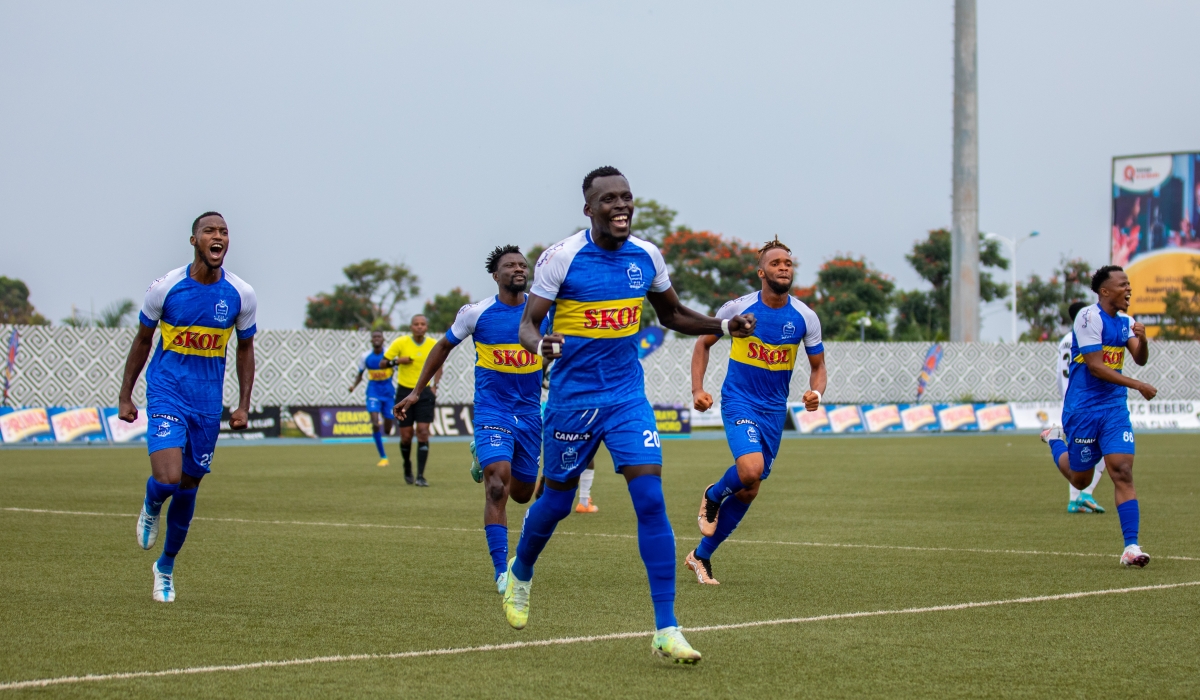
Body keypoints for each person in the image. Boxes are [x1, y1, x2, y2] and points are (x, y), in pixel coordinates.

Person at [501, 166, 756, 664]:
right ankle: (521, 572)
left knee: (650, 499)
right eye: (609, 200)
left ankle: (666, 627)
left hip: (625, 397)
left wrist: (724, 325)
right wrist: (542, 344)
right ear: (588, 208)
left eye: (627, 198)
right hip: (572, 401)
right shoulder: (562, 257)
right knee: (554, 504)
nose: (621, 206)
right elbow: (527, 325)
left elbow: (673, 315)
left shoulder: (647, 255)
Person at [119, 212, 257, 603]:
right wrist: (125, 395)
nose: (219, 237)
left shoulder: (241, 294)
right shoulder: (166, 288)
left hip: (206, 404)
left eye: (224, 232)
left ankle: (165, 568)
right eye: (210, 231)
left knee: (188, 486)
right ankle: (151, 504)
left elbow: (246, 349)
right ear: (194, 240)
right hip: (167, 393)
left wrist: (244, 404)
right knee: (166, 480)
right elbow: (143, 341)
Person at [398, 245, 542, 593]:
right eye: (510, 265)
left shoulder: (543, 313)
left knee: (523, 495)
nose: (518, 269)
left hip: (530, 413)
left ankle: (481, 452)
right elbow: (442, 347)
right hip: (493, 410)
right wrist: (418, 391)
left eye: (523, 264)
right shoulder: (476, 313)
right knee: (496, 487)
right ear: (496, 275)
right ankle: (500, 572)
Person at [686, 237, 826, 585]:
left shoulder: (805, 317)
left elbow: (818, 367)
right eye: (776, 263)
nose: (783, 267)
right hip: (739, 401)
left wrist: (816, 393)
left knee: (750, 488)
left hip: (773, 411)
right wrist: (698, 389)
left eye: (788, 263)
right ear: (761, 271)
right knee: (750, 468)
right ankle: (713, 494)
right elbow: (703, 344)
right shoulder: (737, 309)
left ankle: (700, 557)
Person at [1041, 265, 1155, 567]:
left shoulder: (1126, 322)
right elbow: (1096, 367)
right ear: (1105, 291)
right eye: (1123, 285)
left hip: (1114, 407)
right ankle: (1054, 440)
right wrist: (1138, 385)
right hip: (1083, 408)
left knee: (1122, 470)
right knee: (1081, 480)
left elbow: (1139, 360)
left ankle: (1131, 547)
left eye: (1129, 284)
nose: (1128, 289)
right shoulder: (1088, 317)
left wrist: (1142, 340)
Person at [1056, 301, 1105, 513]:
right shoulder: (1084, 339)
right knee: (1104, 446)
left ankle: (1075, 500)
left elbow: (1059, 374)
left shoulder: (1064, 341)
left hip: (1070, 400)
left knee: (1080, 450)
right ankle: (1085, 494)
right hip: (1086, 400)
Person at [385, 314, 441, 486]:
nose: (419, 327)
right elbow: (382, 363)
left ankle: (420, 476)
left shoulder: (433, 344)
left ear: (426, 327)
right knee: (406, 436)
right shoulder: (400, 343)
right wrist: (396, 361)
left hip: (424, 393)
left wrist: (434, 386)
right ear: (411, 327)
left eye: (422, 324)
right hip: (404, 392)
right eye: (416, 324)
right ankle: (407, 466)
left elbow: (439, 366)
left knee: (423, 432)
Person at [349, 329, 395, 467]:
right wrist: (353, 386)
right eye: (374, 336)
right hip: (373, 393)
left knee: (387, 429)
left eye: (379, 336)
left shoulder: (389, 355)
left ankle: (386, 427)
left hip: (388, 394)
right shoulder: (365, 357)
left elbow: (400, 369)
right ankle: (383, 456)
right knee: (375, 423)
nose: (376, 339)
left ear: (383, 339)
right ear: (371, 340)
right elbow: (360, 374)